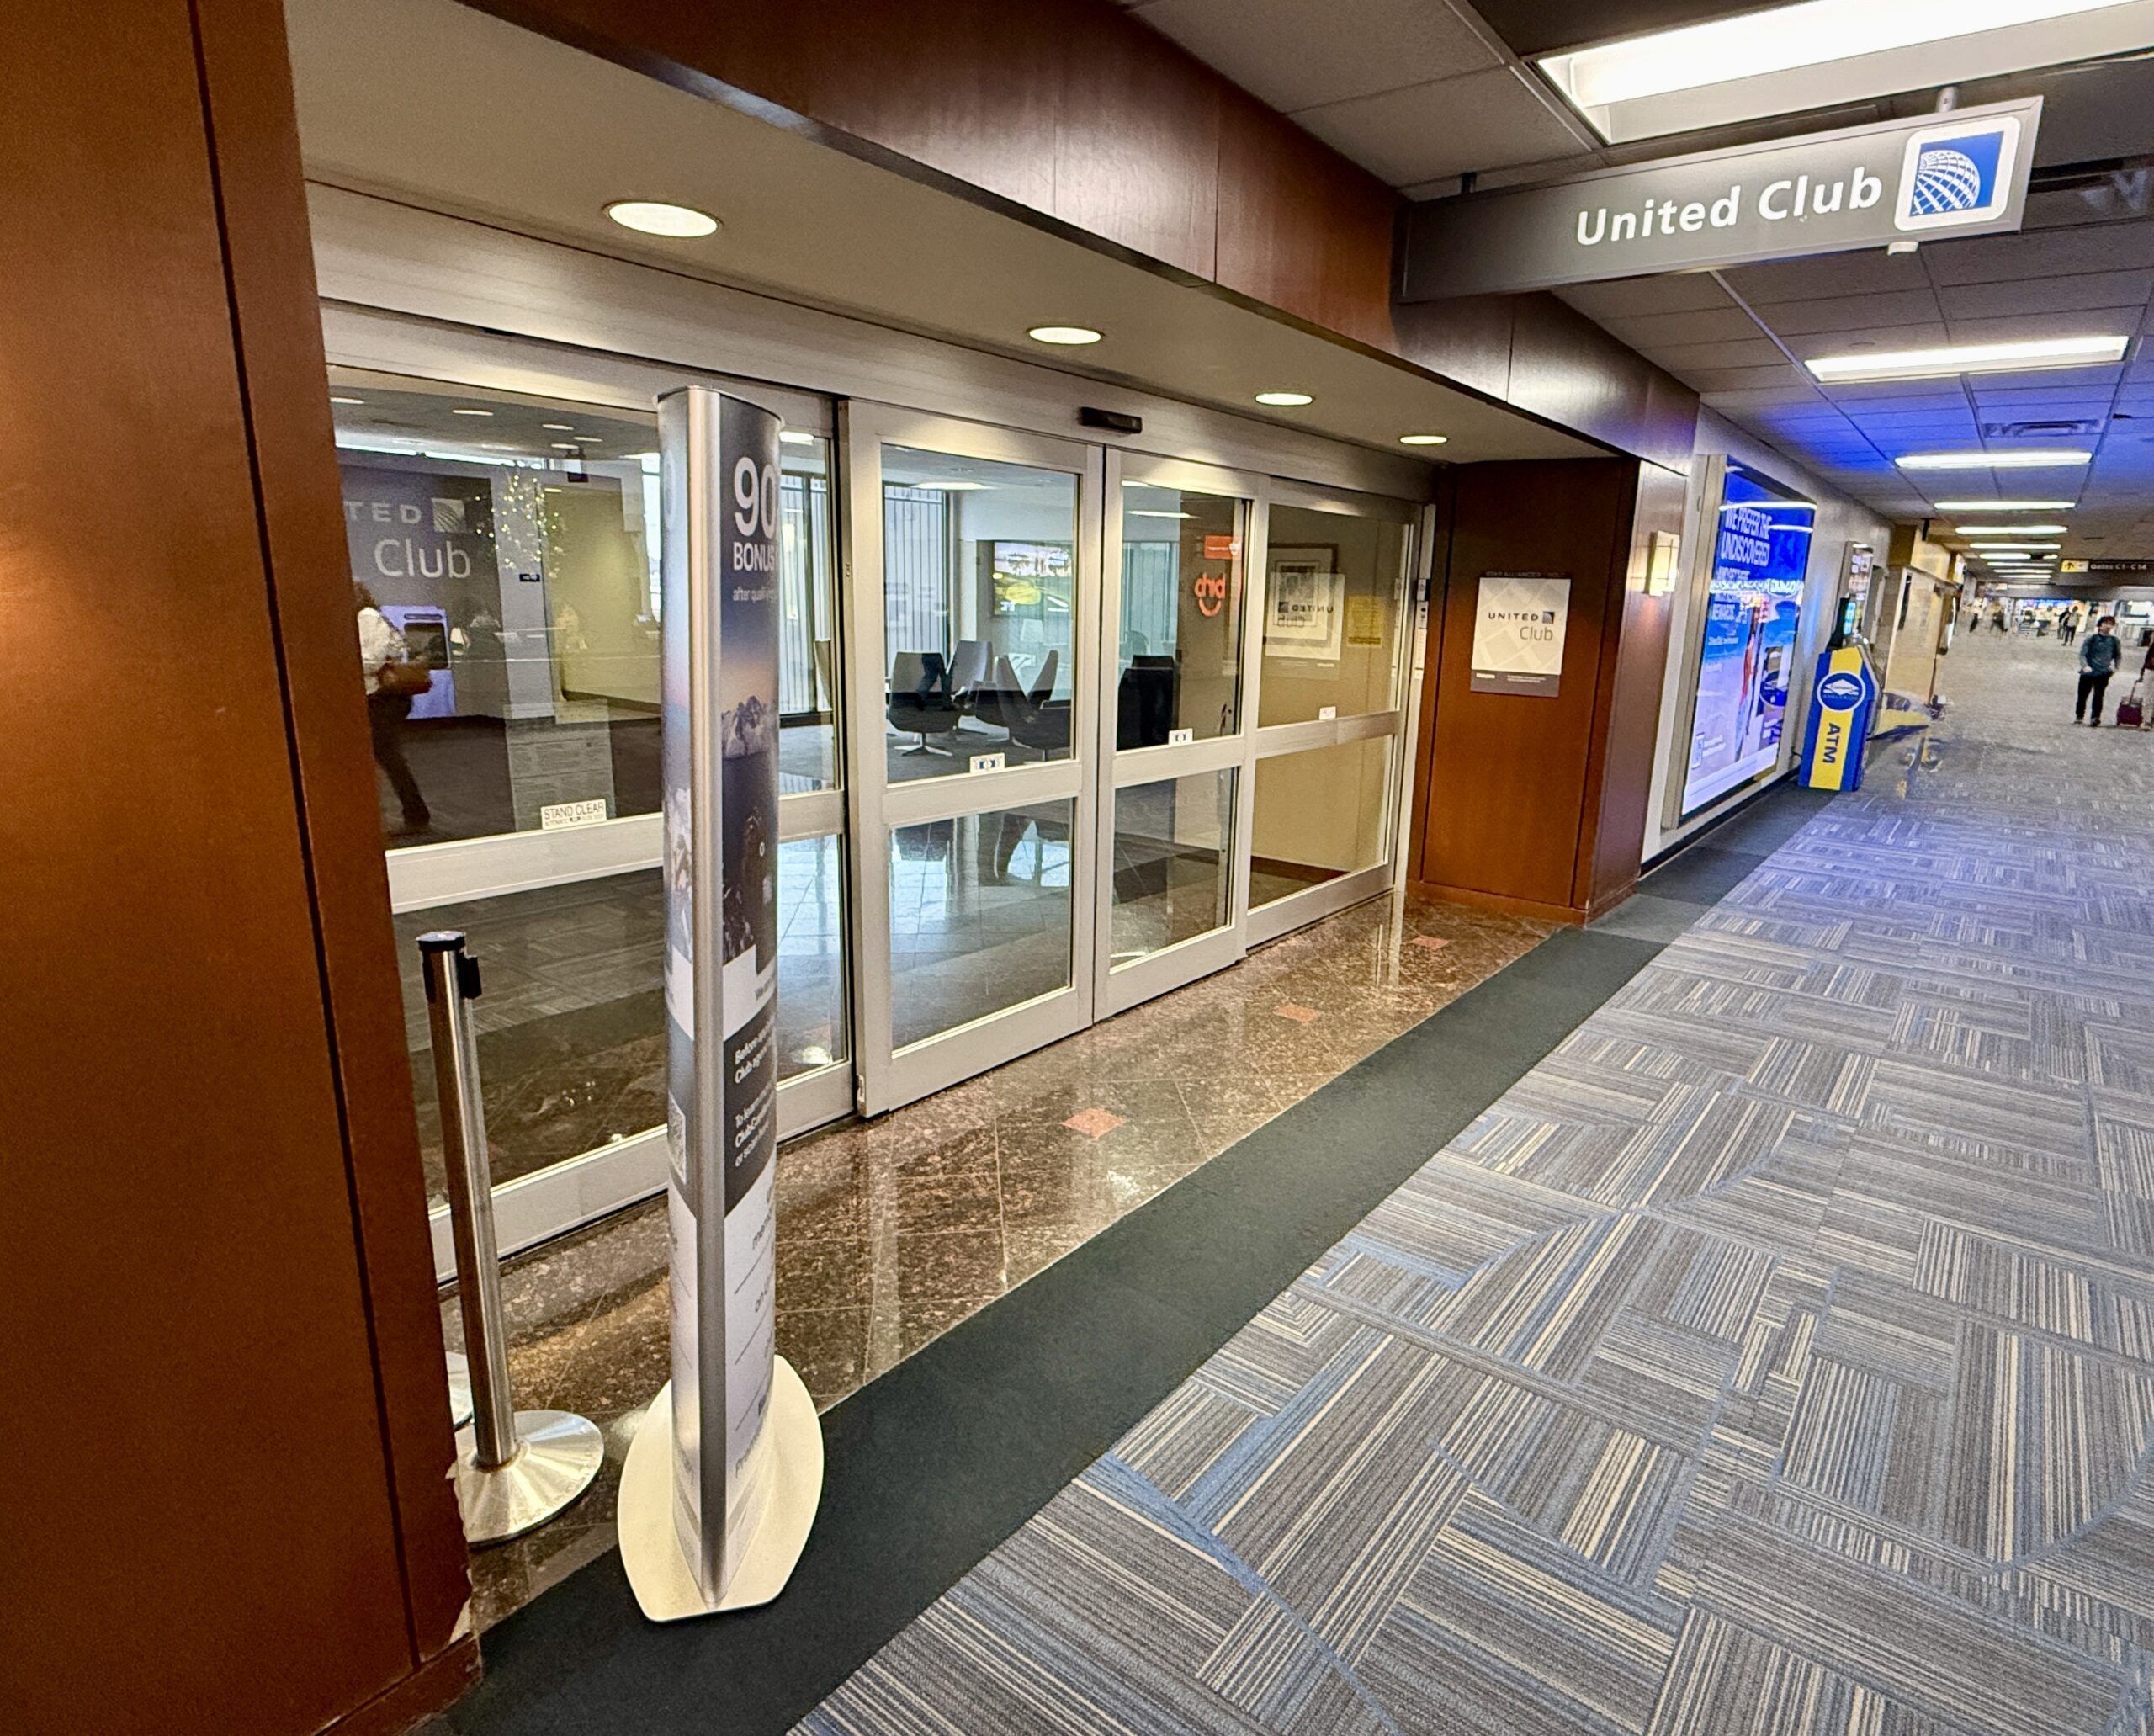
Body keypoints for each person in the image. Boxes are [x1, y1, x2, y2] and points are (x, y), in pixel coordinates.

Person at [356, 582, 432, 831]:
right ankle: (414, 812)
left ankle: (416, 813)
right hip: (380, 697)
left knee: (388, 756)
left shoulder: (366, 617)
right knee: (388, 757)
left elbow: (371, 661)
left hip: (380, 698)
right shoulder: (369, 616)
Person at [2077, 613, 2123, 726]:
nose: (2108, 626)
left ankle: (2095, 717)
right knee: (2083, 695)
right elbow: (2082, 654)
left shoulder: (2114, 641)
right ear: (2100, 625)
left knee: (2099, 696)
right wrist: (2085, 666)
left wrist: (2115, 667)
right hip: (2088, 672)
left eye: (2111, 624)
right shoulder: (2091, 639)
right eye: (2106, 623)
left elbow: (2118, 655)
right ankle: (2079, 716)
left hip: (2103, 672)